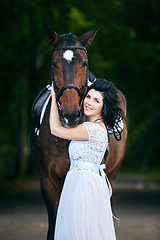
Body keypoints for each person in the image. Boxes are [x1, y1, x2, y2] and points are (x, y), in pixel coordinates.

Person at [49, 78, 123, 240]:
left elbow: (55, 129)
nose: (89, 102)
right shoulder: (96, 127)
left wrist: (54, 97)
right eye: (88, 97)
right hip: (84, 182)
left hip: (82, 185)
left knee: (79, 229)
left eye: (96, 100)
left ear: (104, 107)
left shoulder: (91, 130)